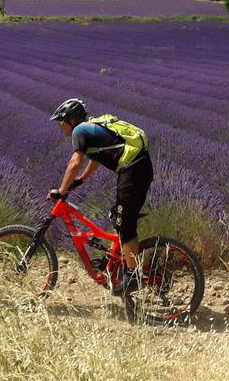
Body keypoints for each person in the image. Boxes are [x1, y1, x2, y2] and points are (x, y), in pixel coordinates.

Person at [48, 98, 153, 296]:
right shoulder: (92, 128)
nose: (60, 127)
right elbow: (96, 159)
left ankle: (133, 275)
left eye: (61, 122)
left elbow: (75, 161)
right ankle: (112, 261)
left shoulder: (80, 131)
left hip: (133, 171)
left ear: (71, 121)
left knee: (125, 223)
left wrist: (62, 190)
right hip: (137, 169)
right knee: (117, 216)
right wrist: (79, 181)